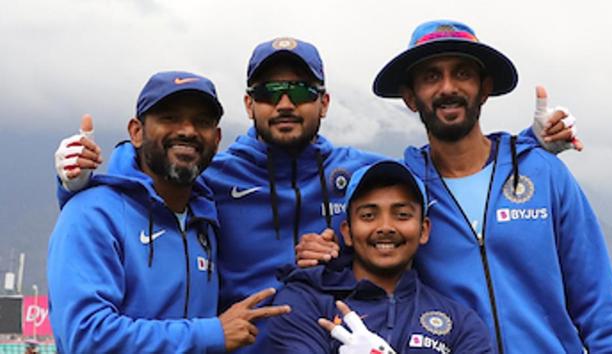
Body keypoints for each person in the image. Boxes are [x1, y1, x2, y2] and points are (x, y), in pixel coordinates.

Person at [53, 38, 578, 351]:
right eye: (269, 92)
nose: (285, 103)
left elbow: (442, 169)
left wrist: (527, 148)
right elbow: (153, 177)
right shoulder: (212, 178)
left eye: (301, 91)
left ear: (324, 102)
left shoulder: (359, 170)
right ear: (248, 104)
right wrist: (77, 178)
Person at [370, 20, 612, 353]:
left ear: (485, 87)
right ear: (410, 97)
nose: (448, 87)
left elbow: (599, 304)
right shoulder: (403, 193)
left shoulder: (545, 174)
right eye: (431, 76)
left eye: (462, 73)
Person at [48, 71, 290, 353]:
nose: (188, 130)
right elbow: (87, 336)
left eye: (202, 121)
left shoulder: (205, 220)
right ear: (136, 132)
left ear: (216, 139)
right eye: (170, 118)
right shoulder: (91, 213)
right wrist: (211, 334)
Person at [261, 160, 493, 353]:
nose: (385, 227)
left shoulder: (460, 323)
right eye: (369, 215)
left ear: (423, 230)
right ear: (347, 232)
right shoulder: (303, 302)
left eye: (402, 215)